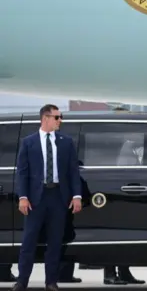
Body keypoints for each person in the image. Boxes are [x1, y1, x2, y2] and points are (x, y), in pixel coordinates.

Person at [12, 104, 82, 291]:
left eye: (60, 117)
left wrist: (76, 196)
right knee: (29, 241)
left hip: (58, 197)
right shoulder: (29, 142)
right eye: (57, 117)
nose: (60, 121)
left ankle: (51, 282)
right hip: (36, 198)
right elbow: (22, 173)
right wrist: (23, 197)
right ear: (45, 118)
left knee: (55, 241)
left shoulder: (66, 142)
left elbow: (73, 171)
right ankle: (22, 281)